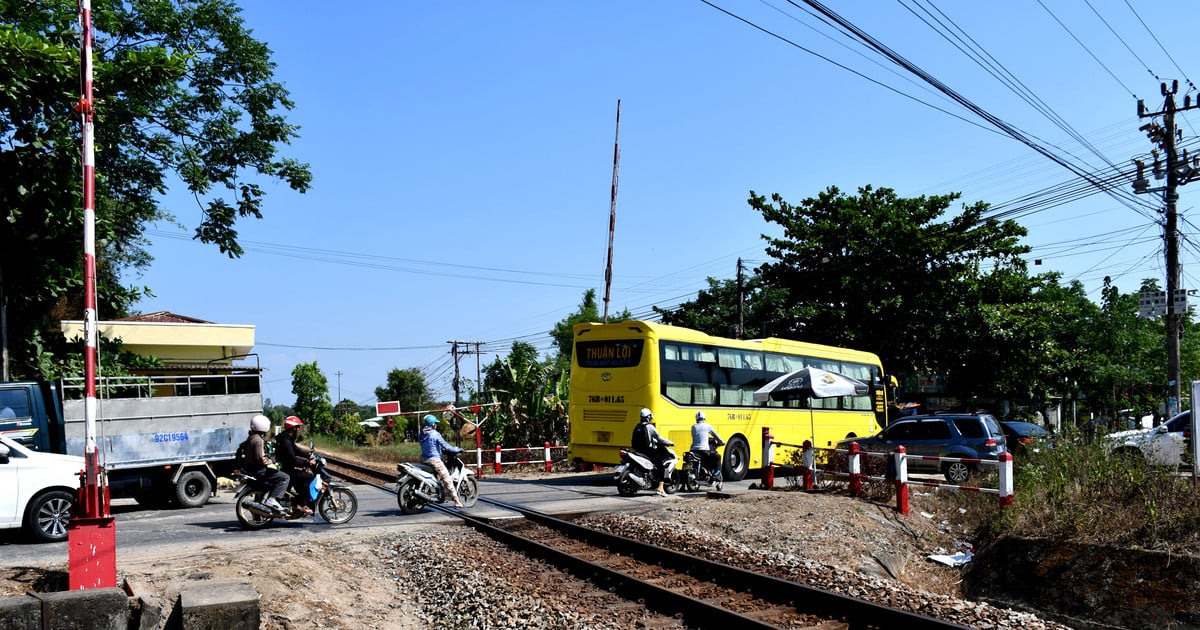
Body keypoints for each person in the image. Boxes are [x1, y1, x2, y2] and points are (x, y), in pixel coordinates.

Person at [240, 414, 290, 513]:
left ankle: (258, 513)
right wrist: (271, 461)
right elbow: (261, 459)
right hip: (259, 470)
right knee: (285, 477)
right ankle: (272, 499)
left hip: (250, 469)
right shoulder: (258, 440)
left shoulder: (250, 438)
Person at [418, 414, 463, 508]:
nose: (436, 425)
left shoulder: (422, 434)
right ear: (433, 424)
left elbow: (430, 446)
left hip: (425, 460)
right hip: (435, 460)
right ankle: (456, 500)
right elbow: (446, 446)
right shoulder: (435, 434)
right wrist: (457, 449)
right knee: (447, 478)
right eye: (435, 423)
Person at [275, 415, 315, 515]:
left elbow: (295, 449)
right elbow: (292, 459)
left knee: (301, 477)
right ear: (293, 428)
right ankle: (301, 504)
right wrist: (307, 462)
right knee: (309, 477)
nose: (298, 429)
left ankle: (296, 501)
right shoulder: (286, 441)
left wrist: (307, 454)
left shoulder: (286, 438)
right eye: (297, 427)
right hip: (287, 469)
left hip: (285, 467)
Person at [630, 408, 675, 497]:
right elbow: (659, 438)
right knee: (661, 467)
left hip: (637, 451)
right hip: (648, 451)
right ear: (648, 417)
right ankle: (660, 488)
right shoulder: (649, 427)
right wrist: (670, 442)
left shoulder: (637, 426)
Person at [689, 411, 724, 481]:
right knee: (717, 457)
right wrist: (722, 442)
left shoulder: (693, 427)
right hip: (704, 450)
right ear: (704, 418)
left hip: (693, 450)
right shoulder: (708, 426)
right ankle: (717, 474)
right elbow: (716, 436)